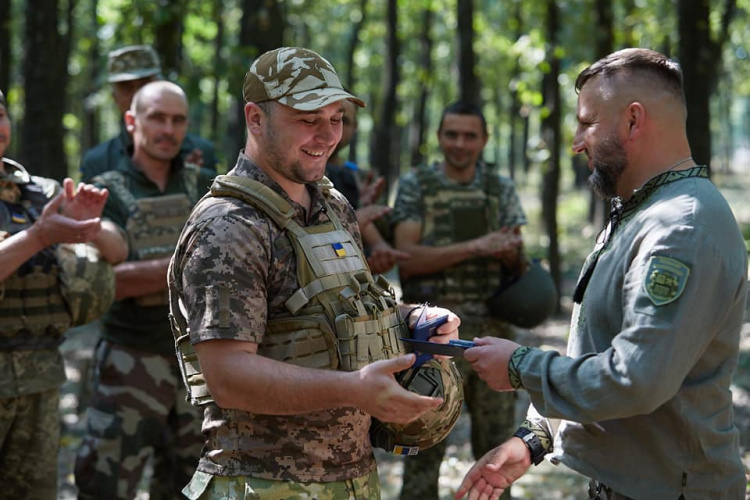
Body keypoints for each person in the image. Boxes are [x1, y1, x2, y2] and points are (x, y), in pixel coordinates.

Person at [168, 46, 464, 499]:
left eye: (337, 118)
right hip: (263, 484)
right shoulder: (229, 227)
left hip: (352, 479)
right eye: (308, 120)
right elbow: (226, 374)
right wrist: (353, 390)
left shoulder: (333, 207)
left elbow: (340, 308)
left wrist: (410, 320)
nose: (327, 135)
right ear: (255, 119)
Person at [457, 48, 748, 500]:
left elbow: (634, 378)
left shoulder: (680, 226)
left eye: (587, 122)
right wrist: (533, 440)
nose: (576, 141)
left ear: (633, 121)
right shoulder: (640, 213)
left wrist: (521, 366)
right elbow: (598, 357)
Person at [74, 81, 213, 499]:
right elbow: (104, 284)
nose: (168, 129)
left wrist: (145, 271)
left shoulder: (209, 188)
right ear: (131, 121)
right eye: (157, 117)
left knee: (192, 488)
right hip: (128, 364)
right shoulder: (102, 191)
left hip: (200, 366)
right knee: (106, 486)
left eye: (178, 120)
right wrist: (193, 263)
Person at [392, 101, 527, 500]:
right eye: (452, 134)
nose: (460, 144)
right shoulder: (419, 184)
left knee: (496, 454)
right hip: (432, 339)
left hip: (493, 335)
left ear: (484, 140)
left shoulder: (498, 187)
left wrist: (509, 254)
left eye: (470, 136)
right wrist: (477, 247)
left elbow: (520, 259)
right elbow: (408, 257)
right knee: (421, 449)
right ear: (439, 137)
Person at [0, 89, 127, 499]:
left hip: (38, 378)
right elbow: (38, 238)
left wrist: (89, 225)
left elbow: (118, 251)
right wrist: (39, 236)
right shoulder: (40, 217)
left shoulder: (39, 192)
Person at [80, 44, 218, 181]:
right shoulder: (99, 161)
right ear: (115, 98)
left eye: (144, 84)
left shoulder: (199, 151)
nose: (136, 94)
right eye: (126, 88)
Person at [326, 98, 408, 274]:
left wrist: (378, 252)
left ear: (354, 128)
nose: (332, 128)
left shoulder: (353, 177)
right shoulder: (292, 171)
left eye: (343, 120)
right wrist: (354, 219)